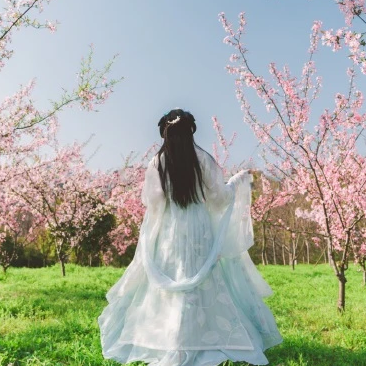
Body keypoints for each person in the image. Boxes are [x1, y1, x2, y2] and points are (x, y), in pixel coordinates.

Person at [98, 108, 283, 366]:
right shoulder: (203, 159)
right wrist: (235, 185)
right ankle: (206, 335)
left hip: (170, 230)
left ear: (165, 133)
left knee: (174, 272)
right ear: (190, 131)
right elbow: (218, 198)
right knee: (203, 279)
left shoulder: (157, 163)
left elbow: (151, 201)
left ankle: (171, 337)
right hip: (200, 228)